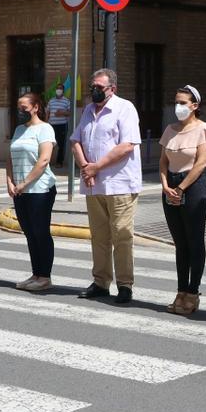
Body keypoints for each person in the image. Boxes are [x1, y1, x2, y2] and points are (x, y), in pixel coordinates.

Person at [70, 68, 142, 304]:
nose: (94, 90)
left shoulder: (125, 108)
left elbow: (127, 145)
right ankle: (101, 282)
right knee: (99, 236)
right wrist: (85, 168)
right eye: (93, 86)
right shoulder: (88, 110)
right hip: (94, 184)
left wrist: (95, 167)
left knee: (122, 234)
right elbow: (76, 140)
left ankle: (124, 285)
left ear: (112, 89)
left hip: (119, 184)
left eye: (99, 87)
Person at [158, 85, 206, 315]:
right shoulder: (170, 129)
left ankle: (193, 292)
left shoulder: (203, 129)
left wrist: (182, 188)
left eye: (183, 103)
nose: (178, 107)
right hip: (171, 186)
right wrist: (165, 185)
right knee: (180, 243)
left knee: (195, 241)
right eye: (176, 102)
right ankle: (181, 290)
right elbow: (163, 160)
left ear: (195, 106)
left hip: (192, 187)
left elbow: (201, 163)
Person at [7, 92, 58, 292]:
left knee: (40, 232)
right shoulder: (19, 129)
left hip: (40, 189)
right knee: (29, 233)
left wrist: (24, 183)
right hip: (20, 190)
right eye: (18, 108)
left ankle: (45, 276)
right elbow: (10, 158)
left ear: (36, 107)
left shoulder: (45, 129)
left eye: (24, 108)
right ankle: (36, 273)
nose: (20, 112)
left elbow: (44, 160)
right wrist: (10, 182)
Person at [48, 82, 72, 167]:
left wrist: (62, 113)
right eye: (57, 88)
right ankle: (46, 161)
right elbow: (48, 112)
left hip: (62, 125)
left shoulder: (66, 101)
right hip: (51, 125)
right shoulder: (51, 100)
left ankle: (59, 162)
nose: (59, 90)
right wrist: (45, 123)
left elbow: (70, 113)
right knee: (49, 144)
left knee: (61, 145)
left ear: (63, 90)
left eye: (60, 88)